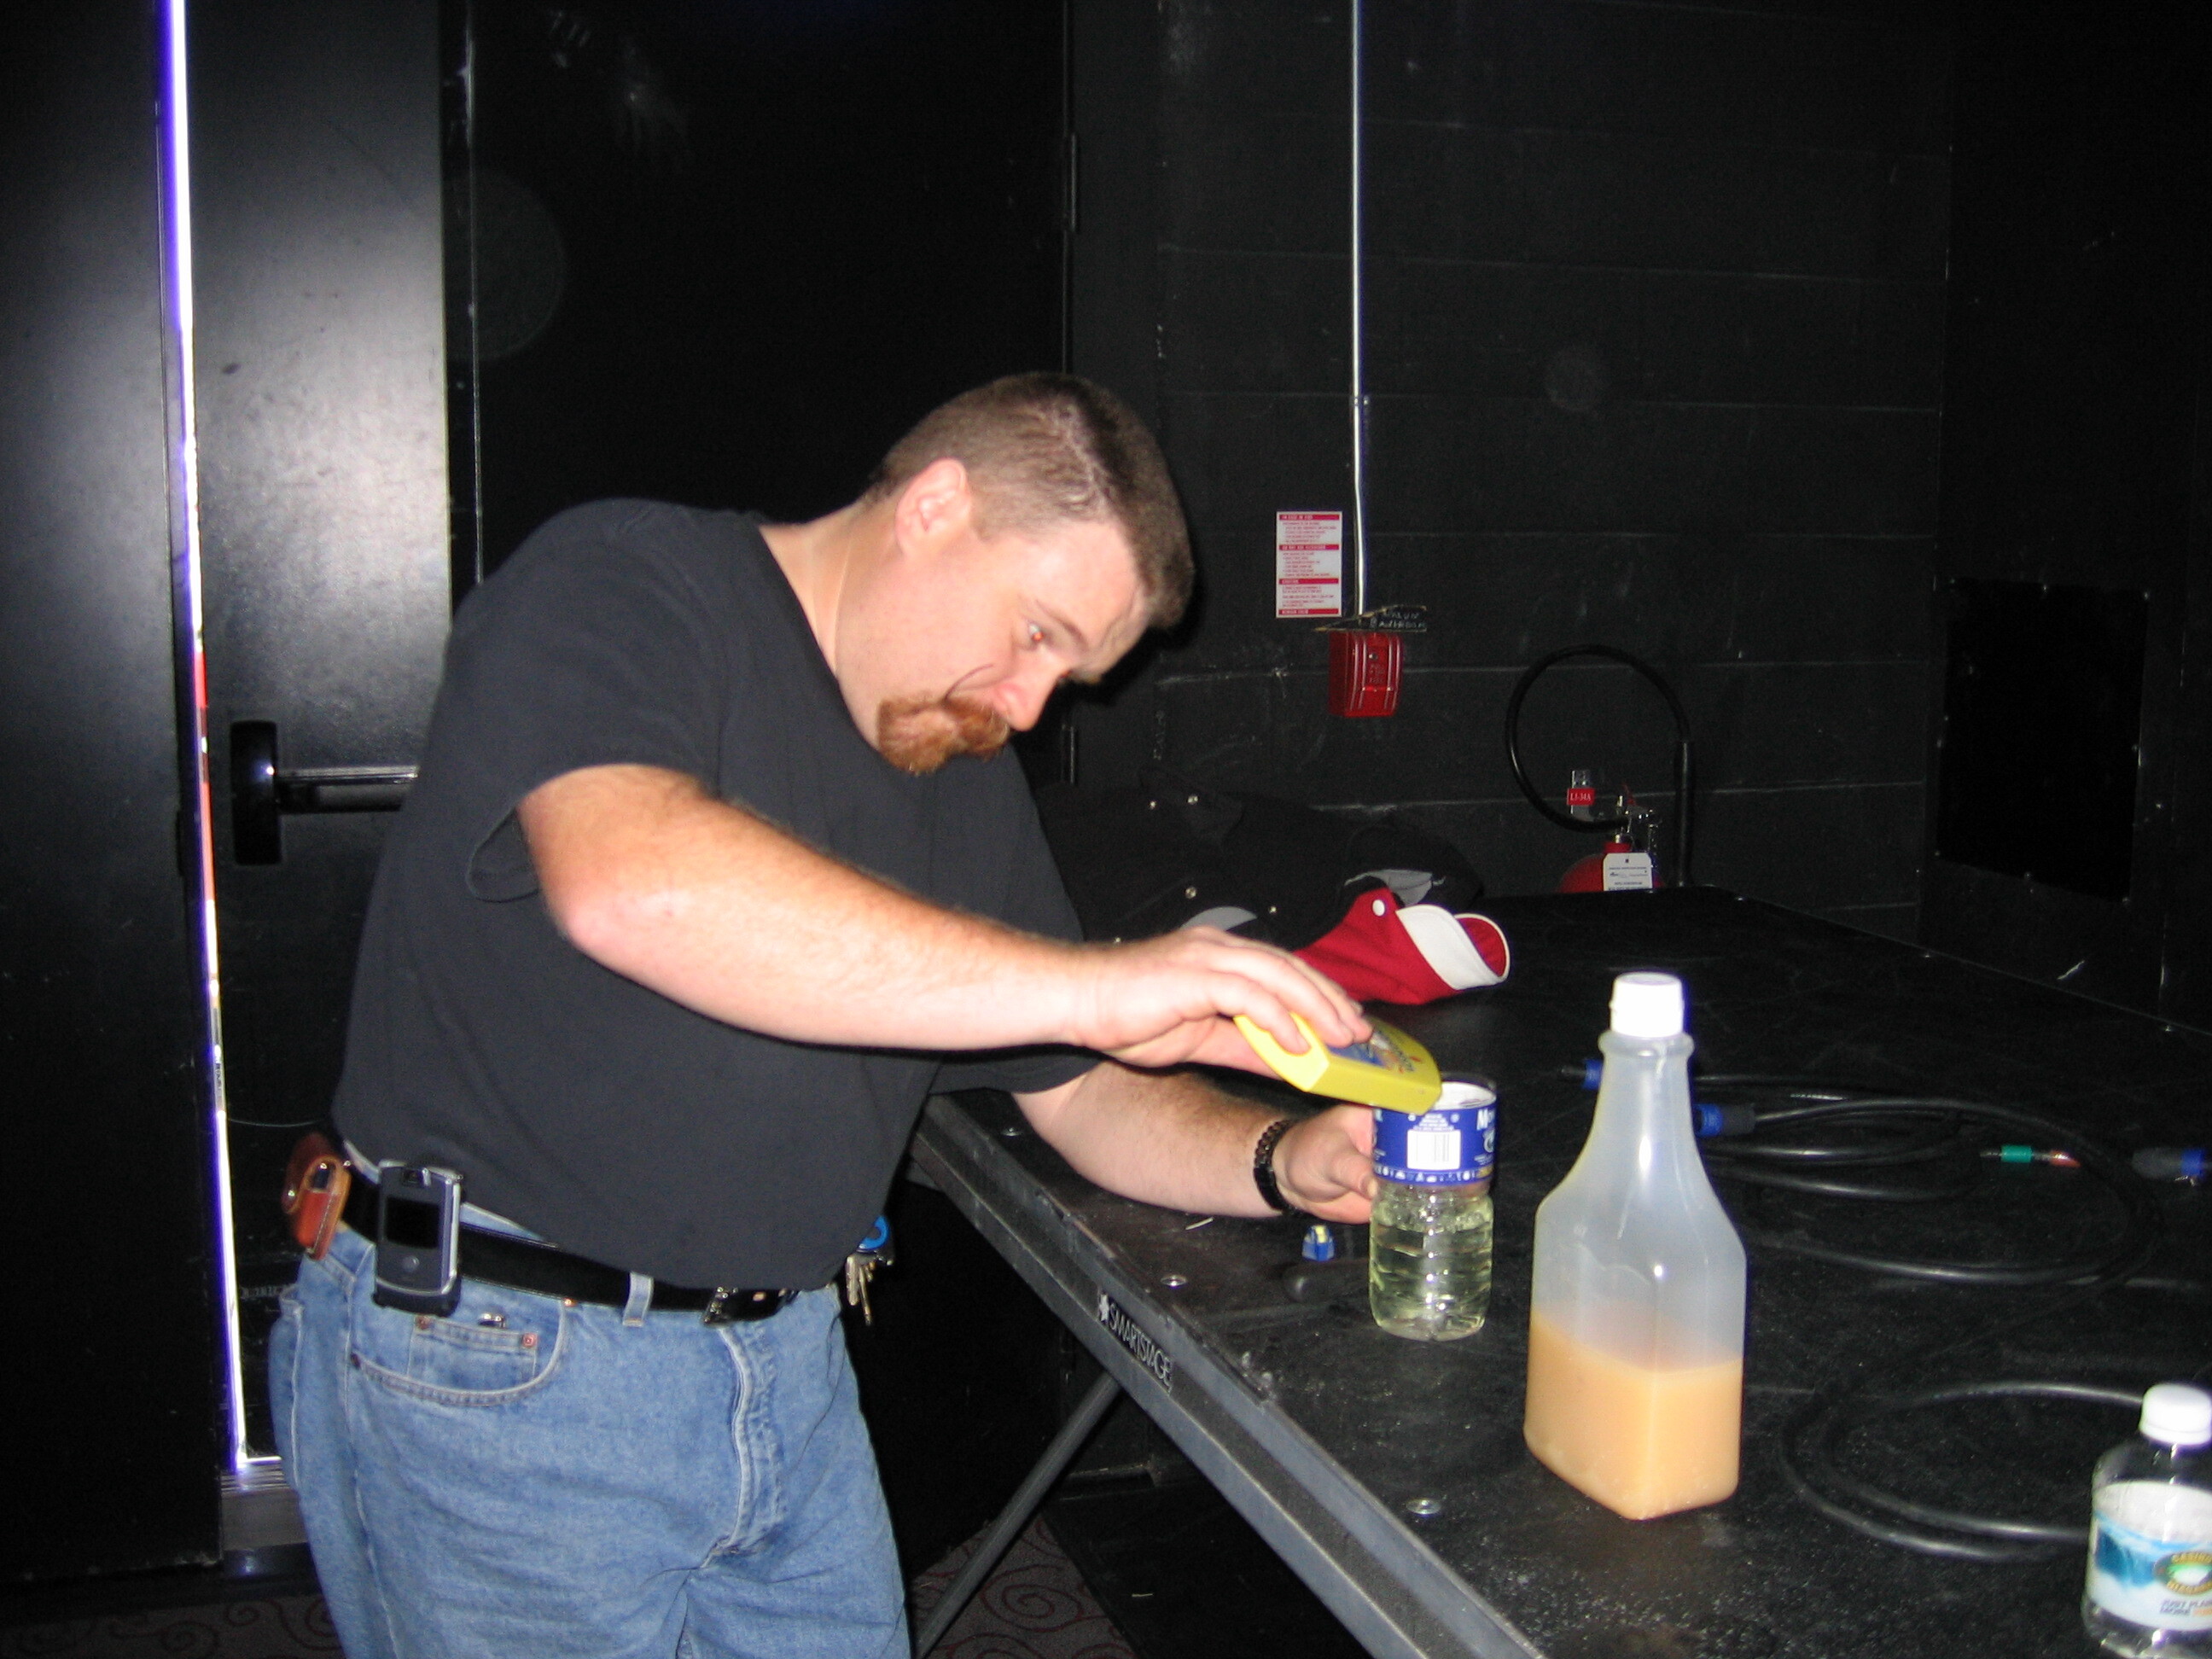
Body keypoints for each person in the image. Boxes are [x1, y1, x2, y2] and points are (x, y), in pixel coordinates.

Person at [271, 373, 1377, 1659]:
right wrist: (1107, 979)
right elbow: (634, 884)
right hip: (503, 1360)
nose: (1029, 706)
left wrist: (1282, 1159)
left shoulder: (956, 768)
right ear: (935, 506)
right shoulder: (627, 577)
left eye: (1070, 676)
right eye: (1037, 634)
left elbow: (1078, 1085)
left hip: (784, 1371)